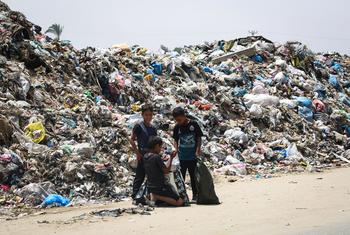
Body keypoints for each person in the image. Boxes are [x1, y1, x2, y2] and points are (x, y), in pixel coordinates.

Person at [172, 107, 203, 202]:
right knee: (181, 178)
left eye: (180, 119)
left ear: (184, 116)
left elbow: (198, 137)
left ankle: (195, 195)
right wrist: (176, 149)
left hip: (192, 156)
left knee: (193, 177)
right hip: (182, 157)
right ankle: (182, 196)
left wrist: (198, 149)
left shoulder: (193, 124)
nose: (179, 122)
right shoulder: (177, 127)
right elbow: (175, 139)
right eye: (176, 120)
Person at [143, 136, 184, 206]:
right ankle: (156, 196)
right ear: (156, 146)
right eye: (160, 146)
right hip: (160, 186)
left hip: (150, 186)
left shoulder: (145, 156)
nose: (161, 149)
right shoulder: (156, 157)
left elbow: (161, 168)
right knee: (180, 202)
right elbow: (166, 171)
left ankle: (154, 197)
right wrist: (171, 158)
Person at [129, 104, 157, 200]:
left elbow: (155, 143)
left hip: (152, 156)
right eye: (146, 115)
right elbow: (132, 140)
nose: (148, 117)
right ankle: (134, 195)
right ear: (142, 115)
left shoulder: (153, 128)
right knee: (140, 176)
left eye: (150, 114)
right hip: (142, 155)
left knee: (151, 176)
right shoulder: (138, 126)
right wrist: (137, 153)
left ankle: (149, 195)